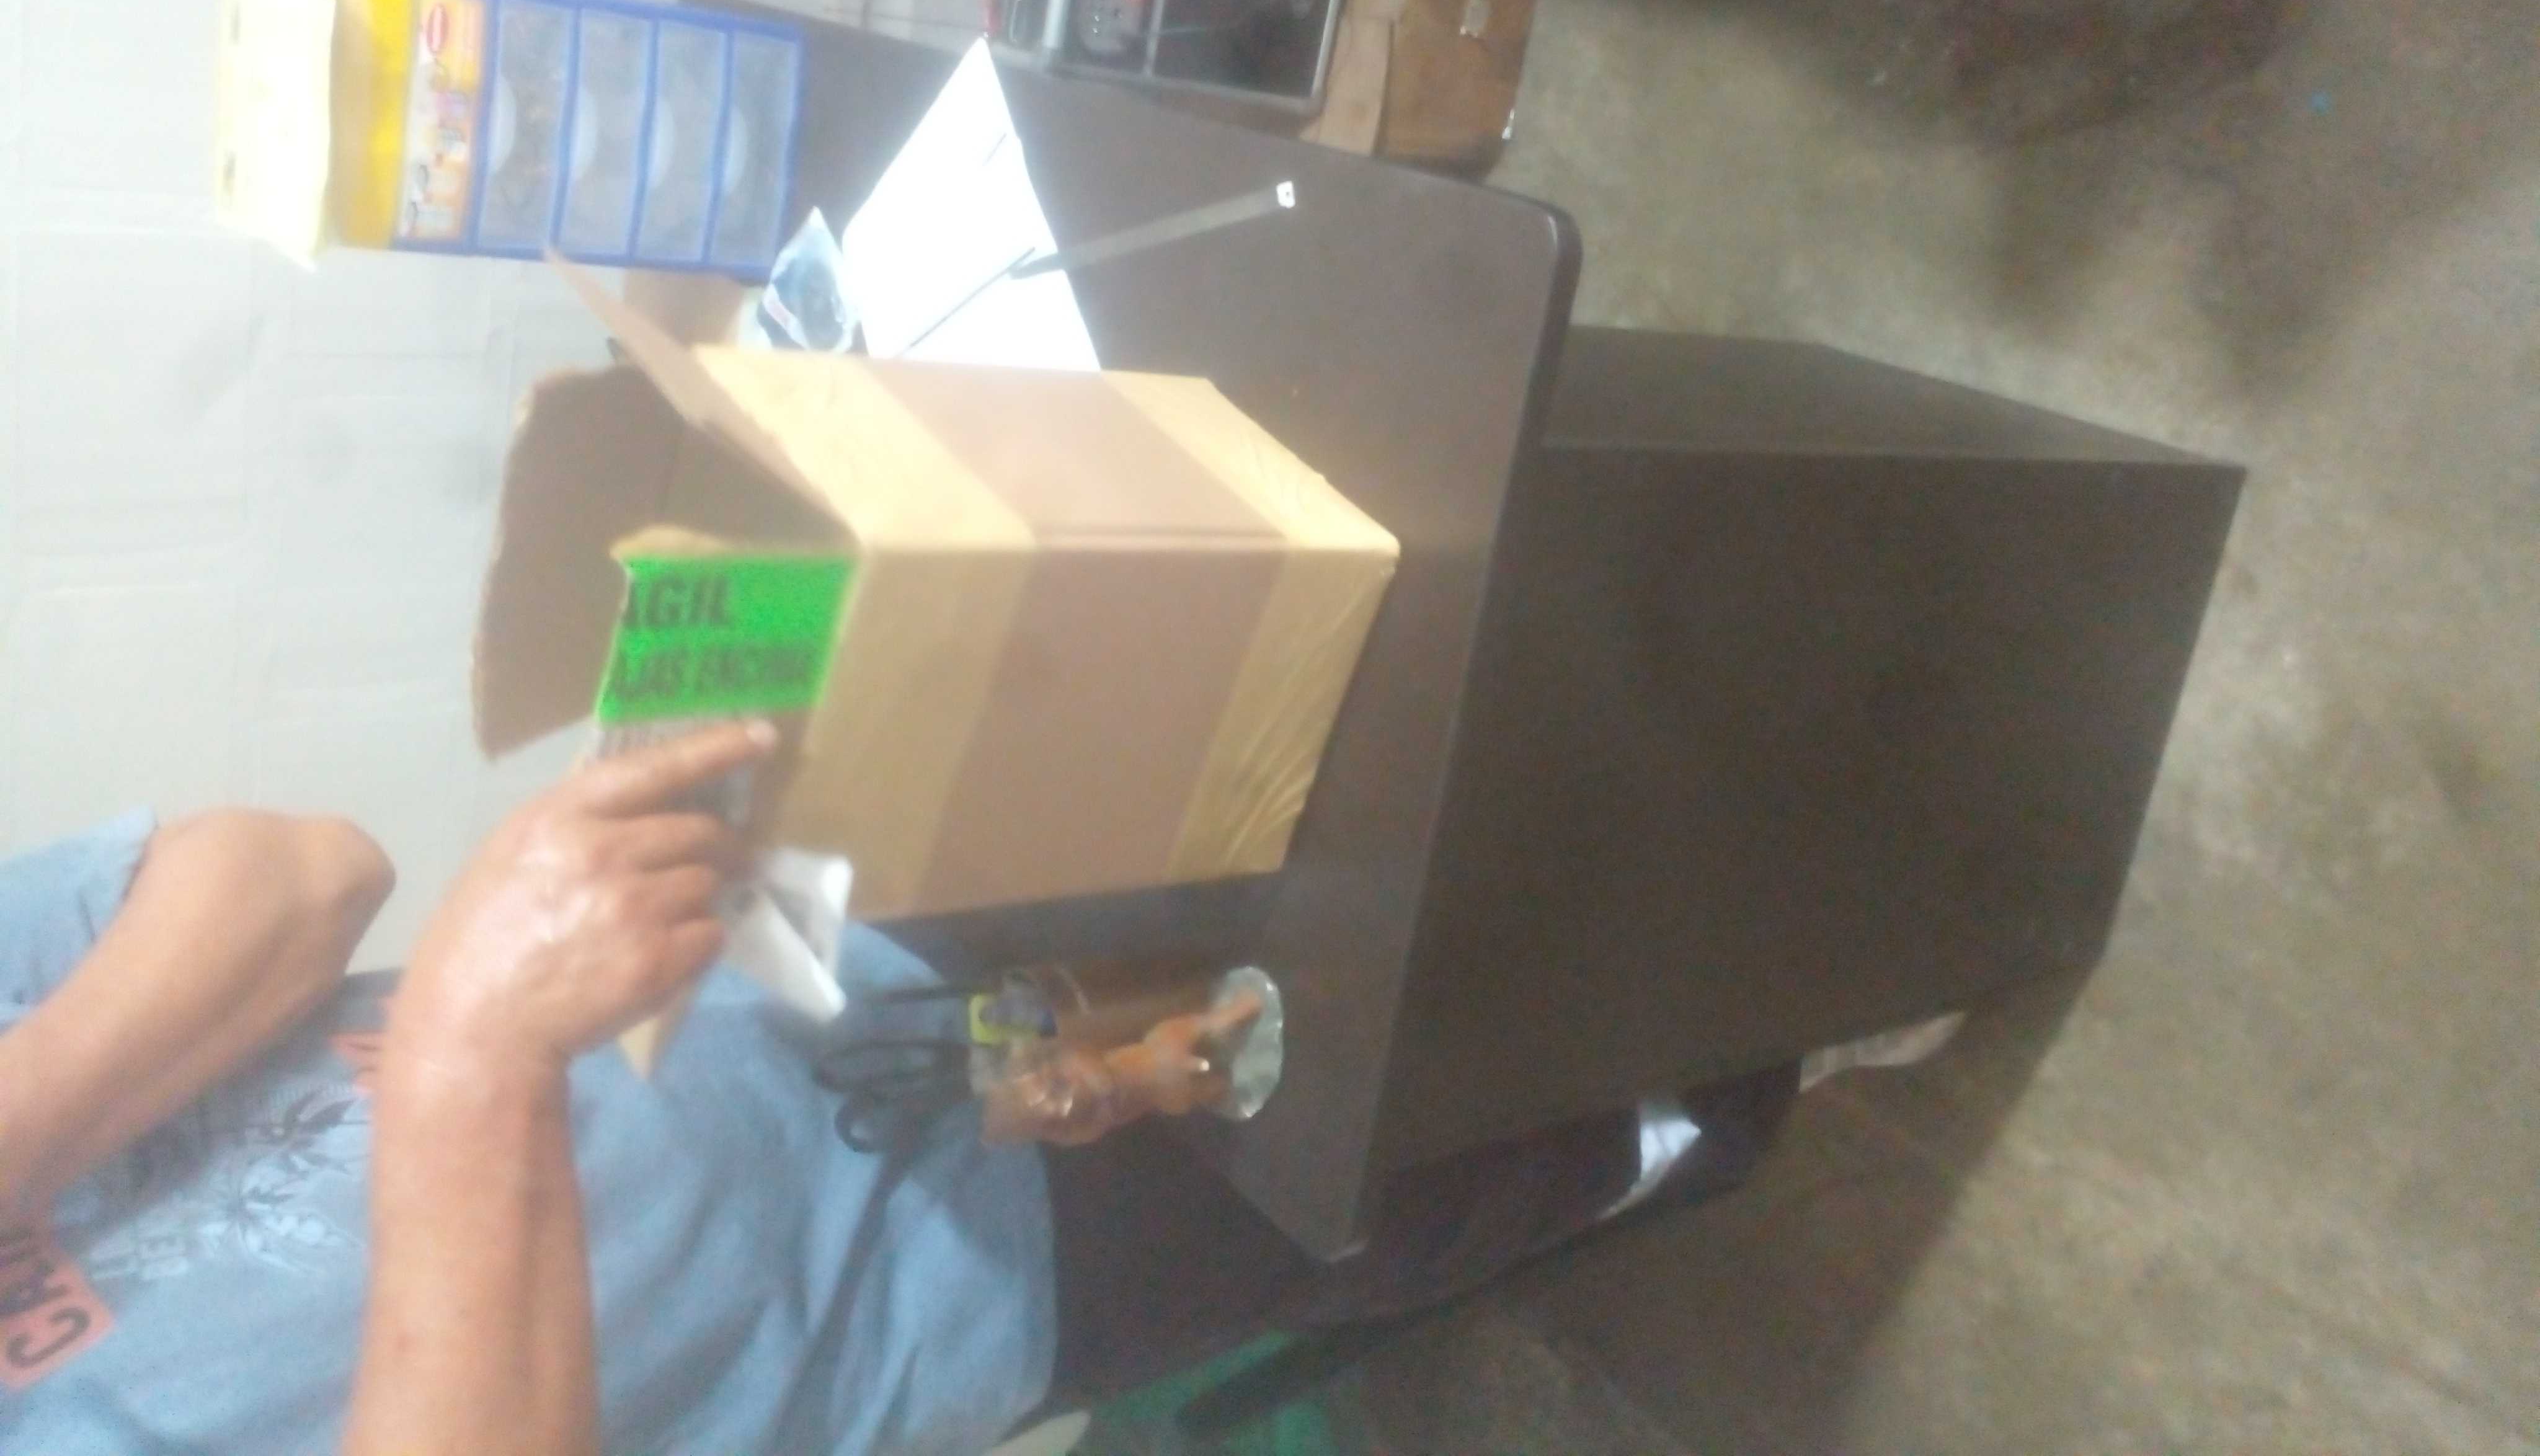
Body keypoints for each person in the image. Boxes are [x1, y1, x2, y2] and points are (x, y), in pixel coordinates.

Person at [0, 723, 1799, 1454]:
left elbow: (298, 875)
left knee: (1384, 835)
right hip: (951, 1280)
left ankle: (1764, 862)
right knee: (1454, 1157)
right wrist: (470, 1065)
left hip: (817, 960)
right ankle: (1775, 1067)